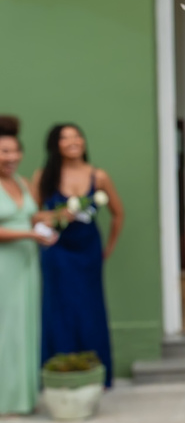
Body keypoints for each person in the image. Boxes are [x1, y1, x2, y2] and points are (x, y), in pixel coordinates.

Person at [32, 123, 123, 387]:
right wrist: (56, 216)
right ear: (55, 145)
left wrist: (109, 247)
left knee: (90, 308)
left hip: (88, 250)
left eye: (77, 136)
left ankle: (95, 372)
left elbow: (118, 213)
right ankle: (60, 371)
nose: (73, 141)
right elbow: (33, 214)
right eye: (65, 137)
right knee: (59, 307)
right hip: (57, 249)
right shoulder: (44, 176)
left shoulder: (99, 176)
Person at [0, 121, 57, 415]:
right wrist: (29, 234)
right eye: (3, 151)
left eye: (14, 151)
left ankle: (22, 398)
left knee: (24, 327)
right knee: (4, 329)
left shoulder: (22, 183)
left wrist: (49, 220)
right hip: (3, 268)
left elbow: (30, 217)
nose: (10, 157)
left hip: (26, 264)